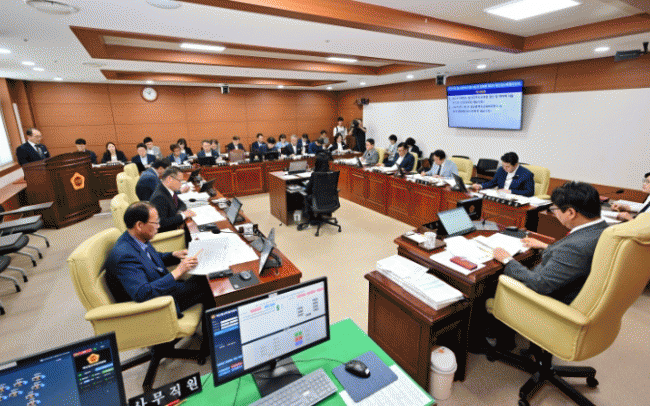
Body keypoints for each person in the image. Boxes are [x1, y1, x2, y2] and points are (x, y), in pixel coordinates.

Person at [493, 181, 608, 304]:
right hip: (572, 287)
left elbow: (540, 284)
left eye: (554, 209)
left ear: (571, 213)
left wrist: (507, 260)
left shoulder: (575, 247)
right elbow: (573, 260)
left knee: (493, 283)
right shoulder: (603, 229)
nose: (554, 213)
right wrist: (546, 246)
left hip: (548, 301)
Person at [104, 202, 214, 319]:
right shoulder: (125, 256)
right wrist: (178, 271)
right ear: (139, 225)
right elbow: (142, 293)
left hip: (163, 287)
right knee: (207, 284)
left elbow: (150, 259)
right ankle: (213, 327)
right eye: (155, 222)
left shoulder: (134, 238)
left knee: (205, 277)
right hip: (159, 305)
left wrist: (174, 255)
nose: (159, 226)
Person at [149, 167, 196, 232]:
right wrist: (183, 215)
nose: (181, 184)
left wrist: (184, 212)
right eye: (179, 181)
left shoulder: (168, 190)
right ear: (169, 179)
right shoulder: (159, 197)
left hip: (176, 226)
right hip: (169, 233)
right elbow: (161, 223)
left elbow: (181, 204)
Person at [298, 152, 331, 230]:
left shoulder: (315, 174)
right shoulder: (331, 173)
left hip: (317, 199)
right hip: (329, 199)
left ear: (317, 163)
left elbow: (307, 189)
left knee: (305, 195)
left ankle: (312, 218)